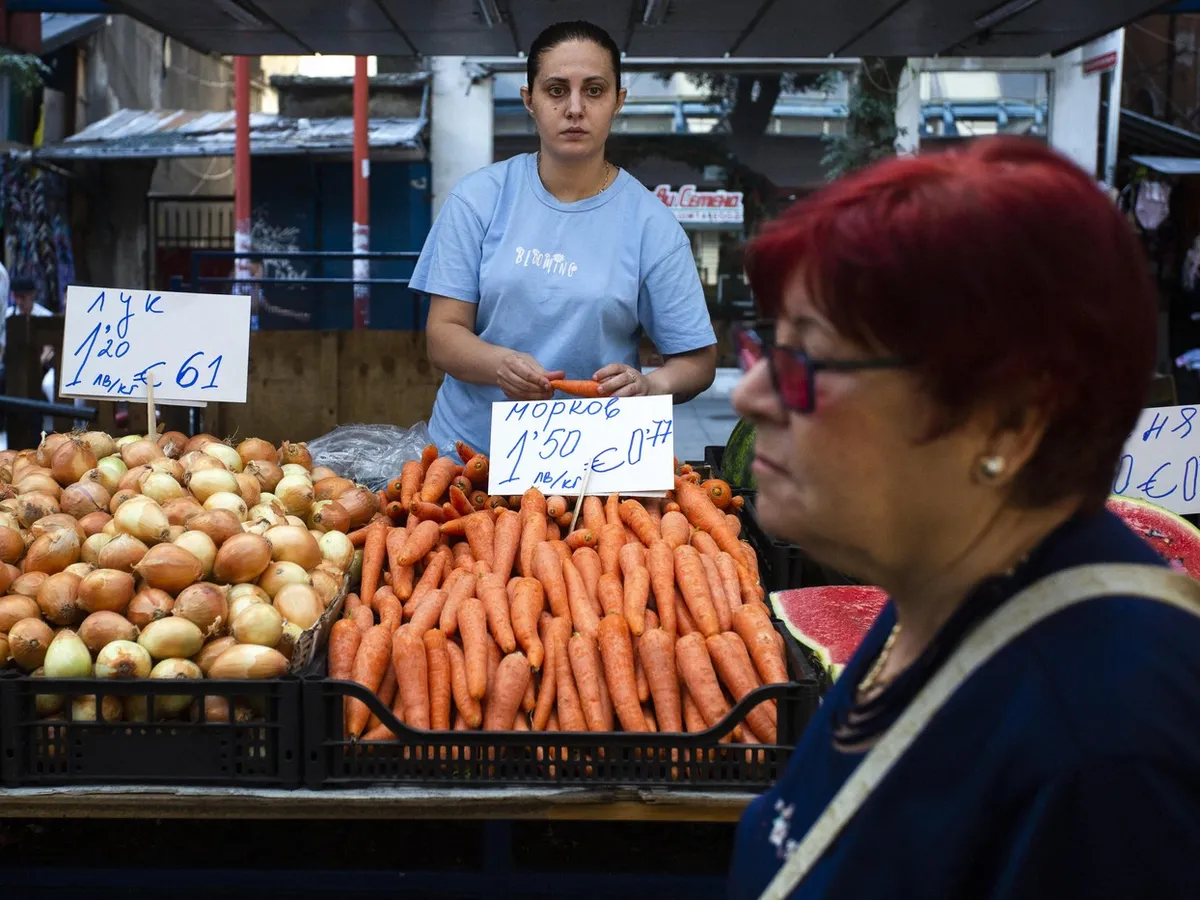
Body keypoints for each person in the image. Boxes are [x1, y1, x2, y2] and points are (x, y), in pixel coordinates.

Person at [728, 138, 1200, 898]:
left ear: (1007, 423)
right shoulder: (934, 594)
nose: (749, 398)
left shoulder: (1109, 751)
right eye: (767, 349)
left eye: (808, 362)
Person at [409, 20, 717, 454]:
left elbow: (698, 362)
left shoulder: (652, 225)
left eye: (594, 90)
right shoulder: (479, 199)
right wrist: (500, 365)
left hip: (596, 464)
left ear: (618, 101)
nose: (575, 108)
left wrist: (650, 384)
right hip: (468, 462)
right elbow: (443, 334)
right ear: (529, 101)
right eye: (556, 90)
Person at [4, 277, 57, 433]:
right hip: (12, 367)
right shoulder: (8, 315)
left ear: (32, 295)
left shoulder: (45, 316)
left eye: (23, 297)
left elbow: (49, 348)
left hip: (39, 366)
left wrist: (36, 363)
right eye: (16, 297)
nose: (20, 301)